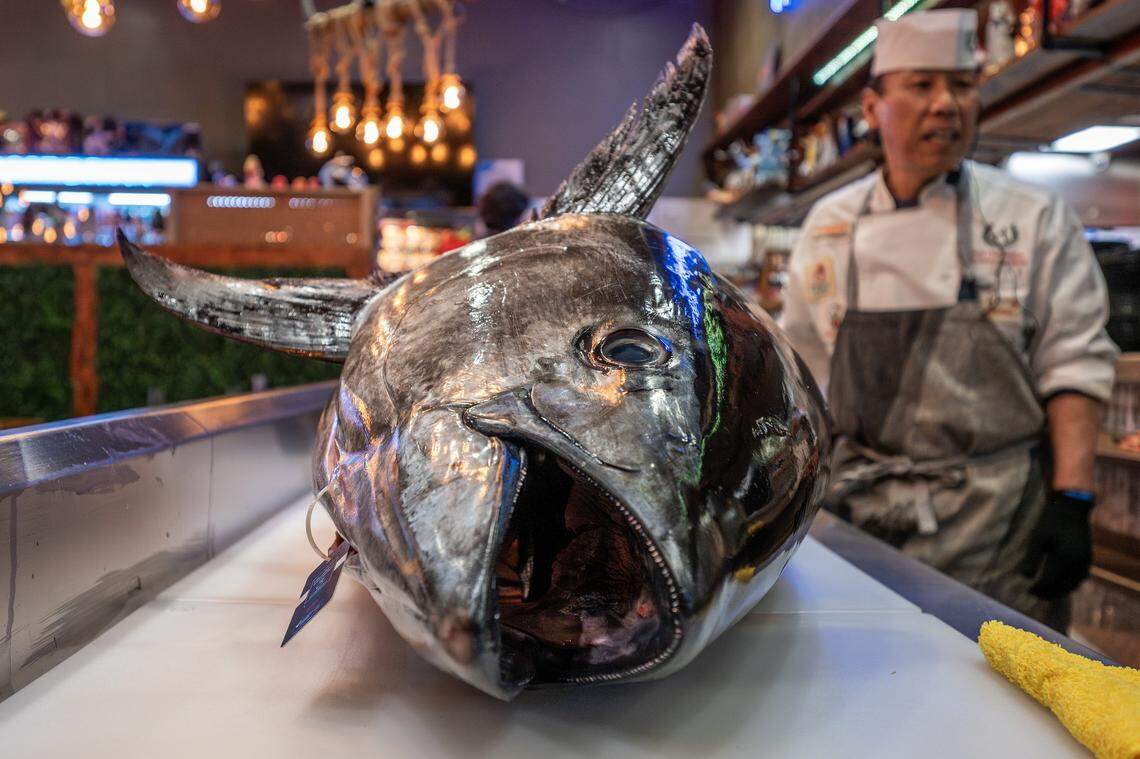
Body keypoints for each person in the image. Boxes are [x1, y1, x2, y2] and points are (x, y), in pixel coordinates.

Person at [780, 8, 1118, 631]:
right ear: (874, 105)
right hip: (860, 522)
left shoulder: (1031, 217)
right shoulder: (829, 226)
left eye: (962, 85)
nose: (946, 104)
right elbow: (800, 381)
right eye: (922, 84)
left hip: (1000, 527)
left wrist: (1073, 498)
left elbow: (1073, 359)